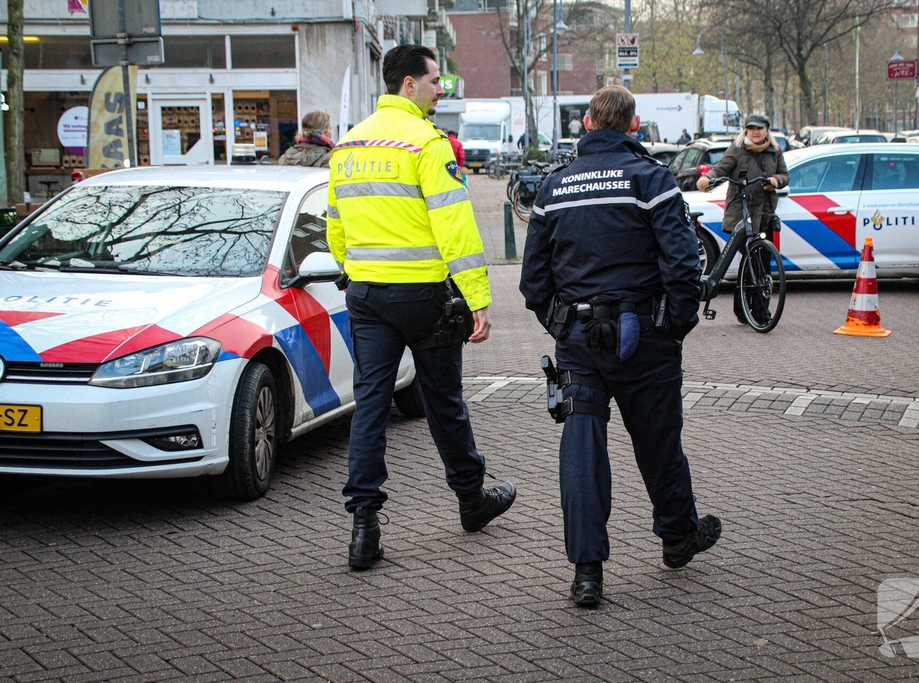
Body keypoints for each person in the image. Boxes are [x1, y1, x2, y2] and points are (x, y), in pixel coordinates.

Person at [520, 85, 721, 608]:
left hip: (580, 340)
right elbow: (682, 265)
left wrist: (558, 323)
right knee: (657, 441)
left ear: (586, 124)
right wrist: (674, 326)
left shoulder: (554, 186)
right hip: (643, 336)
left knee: (582, 451)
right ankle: (678, 538)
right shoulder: (651, 179)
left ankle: (587, 573)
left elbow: (533, 279)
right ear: (634, 126)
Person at [326, 44, 516, 570]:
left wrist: (357, 268)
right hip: (425, 297)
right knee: (443, 402)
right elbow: (454, 227)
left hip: (365, 295)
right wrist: (477, 297)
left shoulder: (348, 144)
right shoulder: (427, 145)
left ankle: (364, 525)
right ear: (408, 84)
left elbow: (335, 227)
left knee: (370, 407)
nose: (441, 90)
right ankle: (472, 501)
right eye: (435, 81)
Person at [695, 113, 789, 323]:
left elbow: (785, 175)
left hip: (764, 215)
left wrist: (775, 180)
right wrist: (707, 179)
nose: (756, 132)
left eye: (760, 129)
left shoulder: (774, 152)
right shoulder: (737, 151)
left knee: (759, 264)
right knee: (755, 263)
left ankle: (742, 309)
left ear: (767, 131)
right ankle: (761, 315)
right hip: (741, 216)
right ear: (746, 131)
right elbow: (720, 169)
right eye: (751, 129)